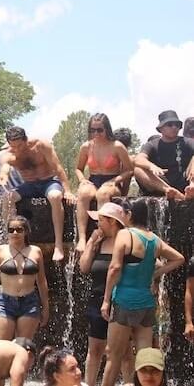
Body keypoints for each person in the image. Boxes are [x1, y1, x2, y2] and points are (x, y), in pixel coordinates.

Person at [99, 200, 184, 386]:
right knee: (145, 359)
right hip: (146, 304)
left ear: (130, 215)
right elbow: (179, 258)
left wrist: (106, 299)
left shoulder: (125, 234)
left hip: (124, 302)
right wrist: (155, 273)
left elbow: (114, 268)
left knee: (113, 356)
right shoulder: (154, 239)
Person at [0, 126, 76, 262]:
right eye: (13, 146)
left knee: (55, 196)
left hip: (49, 182)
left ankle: (58, 244)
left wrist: (68, 191)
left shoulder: (41, 145)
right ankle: (13, 241)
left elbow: (58, 168)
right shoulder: (8, 155)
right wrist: (3, 176)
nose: (17, 150)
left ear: (26, 140)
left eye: (20, 146)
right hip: (29, 185)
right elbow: (5, 168)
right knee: (8, 198)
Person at [78, 202, 133, 386]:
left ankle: (128, 383)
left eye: (100, 220)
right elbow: (84, 268)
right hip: (97, 300)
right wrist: (92, 242)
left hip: (121, 301)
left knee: (123, 350)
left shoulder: (127, 242)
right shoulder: (98, 241)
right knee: (94, 349)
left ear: (113, 222)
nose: (97, 224)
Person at [0, 216, 49, 340]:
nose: (15, 233)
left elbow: (41, 281)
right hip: (5, 302)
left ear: (26, 231)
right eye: (11, 230)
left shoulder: (36, 251)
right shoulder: (1, 251)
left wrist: (46, 307)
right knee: (1, 347)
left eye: (19, 229)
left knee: (23, 347)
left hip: (29, 302)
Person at [74, 114, 133, 252]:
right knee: (83, 193)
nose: (96, 133)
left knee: (103, 194)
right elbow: (78, 169)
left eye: (99, 130)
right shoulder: (86, 147)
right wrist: (83, 180)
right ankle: (82, 238)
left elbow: (130, 170)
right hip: (93, 179)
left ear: (107, 129)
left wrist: (115, 181)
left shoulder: (117, 146)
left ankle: (103, 233)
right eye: (92, 130)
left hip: (112, 181)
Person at [134, 110, 194, 200]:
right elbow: (138, 159)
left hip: (185, 181)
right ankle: (171, 191)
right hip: (163, 182)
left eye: (177, 125)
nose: (174, 127)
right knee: (138, 170)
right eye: (170, 125)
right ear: (161, 128)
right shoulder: (152, 144)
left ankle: (191, 190)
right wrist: (151, 166)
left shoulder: (187, 142)